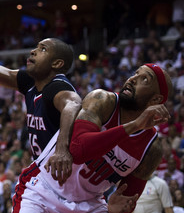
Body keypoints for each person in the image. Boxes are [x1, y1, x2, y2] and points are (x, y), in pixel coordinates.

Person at [12, 63, 173, 213]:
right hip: (43, 190)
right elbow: (78, 150)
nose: (133, 79)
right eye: (136, 74)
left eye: (144, 79)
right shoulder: (103, 100)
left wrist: (114, 209)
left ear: (156, 100)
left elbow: (126, 202)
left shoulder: (151, 148)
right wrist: (135, 125)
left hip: (90, 204)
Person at [0, 30, 82, 185]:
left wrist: (61, 148)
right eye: (36, 47)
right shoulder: (31, 82)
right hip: (47, 175)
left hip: (68, 174)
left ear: (56, 63)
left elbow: (73, 103)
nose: (33, 51)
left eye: (43, 49)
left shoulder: (57, 86)